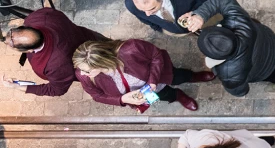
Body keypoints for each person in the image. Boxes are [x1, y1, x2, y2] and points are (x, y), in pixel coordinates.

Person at [183, 0, 275, 97]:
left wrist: (216, 70)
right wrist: (200, 15)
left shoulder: (228, 73)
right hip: (268, 40)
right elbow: (223, 1)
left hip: (264, 68)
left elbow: (241, 91)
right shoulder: (237, 20)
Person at [73, 39, 214, 111]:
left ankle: (192, 76)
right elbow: (97, 96)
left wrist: (152, 81)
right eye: (81, 70)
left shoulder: (131, 48)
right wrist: (122, 99)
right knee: (165, 95)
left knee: (179, 76)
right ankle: (178, 96)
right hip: (144, 94)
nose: (83, 74)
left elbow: (156, 55)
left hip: (159, 76)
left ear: (103, 62)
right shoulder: (83, 75)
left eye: (87, 70)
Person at [0, 7, 104, 97]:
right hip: (92, 38)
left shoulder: (55, 65)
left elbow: (56, 90)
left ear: (29, 50)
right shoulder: (38, 17)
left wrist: (17, 86)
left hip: (93, 64)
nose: (6, 40)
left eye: (12, 45)